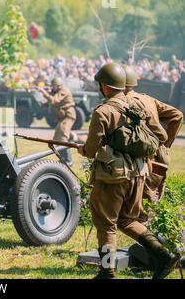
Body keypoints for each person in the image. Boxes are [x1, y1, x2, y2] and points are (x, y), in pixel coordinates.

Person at [77, 63, 176, 279]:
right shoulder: (137, 106)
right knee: (127, 220)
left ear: (104, 86)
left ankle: (107, 271)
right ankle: (162, 254)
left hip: (113, 177)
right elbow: (162, 136)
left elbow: (92, 150)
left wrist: (82, 149)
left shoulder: (103, 112)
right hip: (140, 174)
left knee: (106, 223)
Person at [122, 65, 183, 200]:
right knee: (153, 207)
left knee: (139, 210)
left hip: (142, 164)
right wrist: (164, 146)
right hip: (159, 160)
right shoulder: (147, 99)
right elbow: (177, 116)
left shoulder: (124, 103)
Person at [38, 77, 76, 166]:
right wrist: (48, 92)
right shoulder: (58, 90)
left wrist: (44, 93)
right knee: (57, 138)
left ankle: (68, 160)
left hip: (68, 114)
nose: (53, 87)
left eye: (53, 86)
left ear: (58, 85)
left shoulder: (64, 90)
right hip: (63, 115)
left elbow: (54, 101)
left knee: (62, 136)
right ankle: (64, 158)